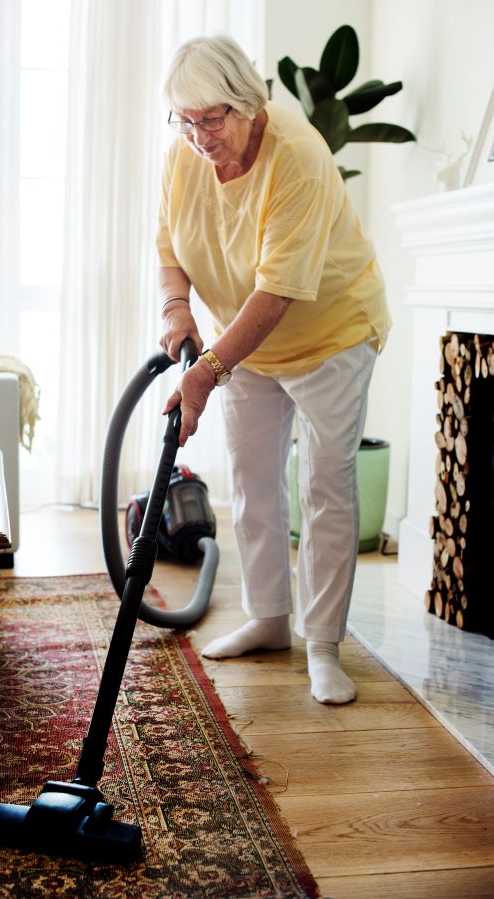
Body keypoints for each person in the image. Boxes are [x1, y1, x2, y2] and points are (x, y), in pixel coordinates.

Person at [156, 35, 391, 704]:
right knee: (253, 478)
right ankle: (268, 619)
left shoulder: (298, 155)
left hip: (330, 336)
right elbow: (168, 243)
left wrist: (204, 371)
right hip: (245, 345)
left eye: (211, 119)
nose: (198, 136)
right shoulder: (184, 152)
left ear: (247, 103)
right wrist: (176, 306)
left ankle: (323, 645)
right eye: (185, 119)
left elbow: (278, 291)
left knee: (325, 486)